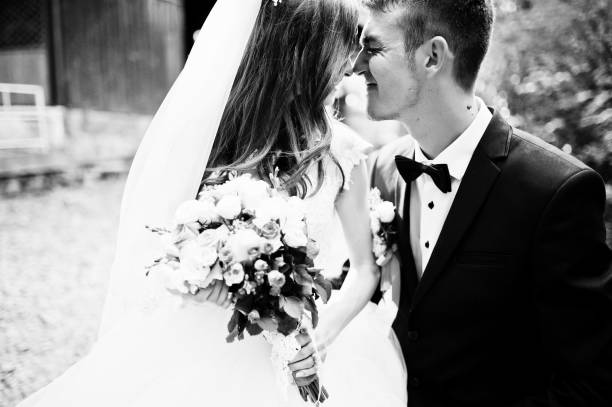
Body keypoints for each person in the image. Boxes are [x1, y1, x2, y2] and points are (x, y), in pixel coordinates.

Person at [17, 0, 407, 406]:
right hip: (210, 345)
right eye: (343, 49)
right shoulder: (217, 142)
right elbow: (167, 252)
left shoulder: (344, 156)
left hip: (309, 345)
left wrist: (319, 338)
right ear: (304, 55)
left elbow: (365, 270)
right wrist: (204, 281)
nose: (351, 67)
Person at [359, 0, 612, 406]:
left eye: (372, 48)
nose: (356, 65)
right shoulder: (378, 172)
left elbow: (590, 384)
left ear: (432, 57)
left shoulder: (557, 191)